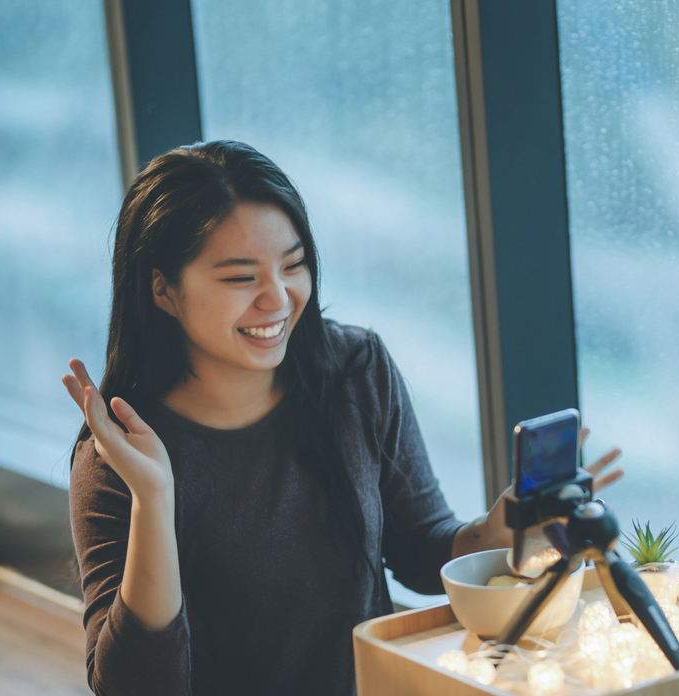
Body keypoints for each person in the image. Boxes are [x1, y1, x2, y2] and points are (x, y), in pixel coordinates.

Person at [63, 140, 623, 696]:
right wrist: (154, 499)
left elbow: (422, 550)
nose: (278, 299)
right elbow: (133, 686)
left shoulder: (356, 371)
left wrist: (496, 532)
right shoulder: (120, 458)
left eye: (293, 265)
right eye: (240, 278)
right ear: (163, 289)